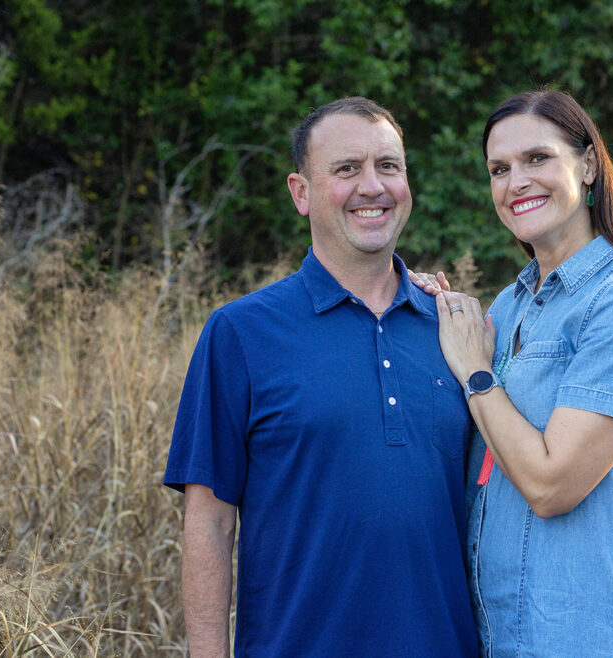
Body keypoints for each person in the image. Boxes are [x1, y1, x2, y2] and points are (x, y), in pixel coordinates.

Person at [163, 97, 477, 657]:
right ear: (301, 192)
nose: (372, 186)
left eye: (388, 166)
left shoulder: (461, 331)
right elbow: (209, 522)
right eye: (346, 169)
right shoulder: (240, 333)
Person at [414, 89, 613, 656]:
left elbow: (550, 484)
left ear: (588, 165)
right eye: (499, 169)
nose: (516, 182)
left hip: (596, 638)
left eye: (537, 159)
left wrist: (476, 372)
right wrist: (425, 312)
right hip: (503, 639)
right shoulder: (507, 309)